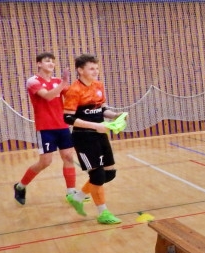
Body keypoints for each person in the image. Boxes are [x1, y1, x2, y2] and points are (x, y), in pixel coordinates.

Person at [14, 52, 86, 210]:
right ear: (39, 64)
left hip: (62, 125)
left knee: (68, 156)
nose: (51, 64)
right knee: (45, 162)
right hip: (45, 128)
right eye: (47, 61)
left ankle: (70, 192)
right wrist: (64, 83)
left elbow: (72, 95)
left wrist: (84, 85)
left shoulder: (58, 82)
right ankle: (20, 186)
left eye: (53, 62)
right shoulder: (33, 81)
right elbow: (47, 96)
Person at [63, 54, 126, 225]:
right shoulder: (74, 90)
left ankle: (79, 197)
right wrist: (95, 126)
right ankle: (103, 213)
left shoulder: (98, 85)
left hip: (100, 133)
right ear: (80, 70)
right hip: (84, 137)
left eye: (97, 68)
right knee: (97, 175)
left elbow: (101, 109)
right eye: (92, 68)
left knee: (109, 173)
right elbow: (68, 118)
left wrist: (114, 115)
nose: (96, 71)